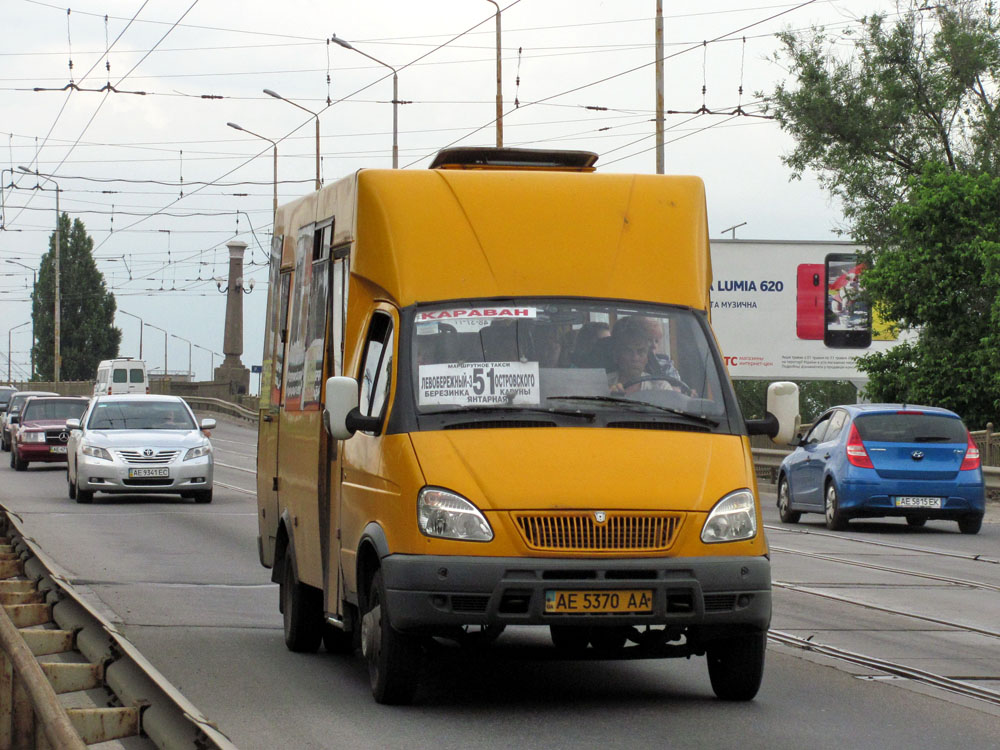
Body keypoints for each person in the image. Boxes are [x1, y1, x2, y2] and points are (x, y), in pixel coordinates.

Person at [606, 316, 677, 395]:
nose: (635, 358)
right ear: (617, 354)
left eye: (641, 351)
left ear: (647, 357)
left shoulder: (660, 388)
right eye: (628, 351)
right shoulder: (602, 385)